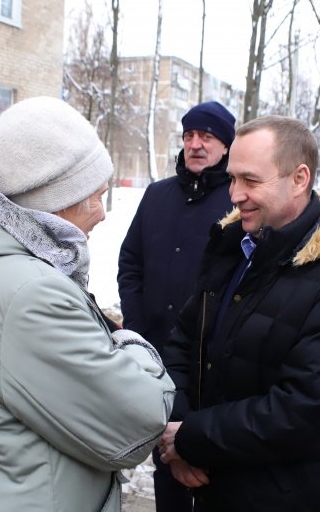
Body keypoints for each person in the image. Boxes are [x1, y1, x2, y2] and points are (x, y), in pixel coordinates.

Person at [0, 96, 174, 511]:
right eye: (94, 197)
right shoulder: (30, 293)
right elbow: (136, 425)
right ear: (52, 200)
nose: (103, 214)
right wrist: (132, 347)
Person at [158, 115, 320, 512]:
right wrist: (182, 433)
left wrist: (191, 439)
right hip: (213, 482)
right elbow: (183, 343)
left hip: (280, 495)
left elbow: (306, 409)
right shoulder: (235, 249)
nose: (234, 194)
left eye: (251, 180)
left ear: (299, 179)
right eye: (232, 178)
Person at [118, 100, 235, 512]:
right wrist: (136, 324)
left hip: (212, 365)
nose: (196, 145)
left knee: (210, 472)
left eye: (207, 137)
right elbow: (130, 262)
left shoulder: (239, 203)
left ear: (226, 146)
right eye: (189, 136)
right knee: (166, 467)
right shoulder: (157, 195)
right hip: (157, 356)